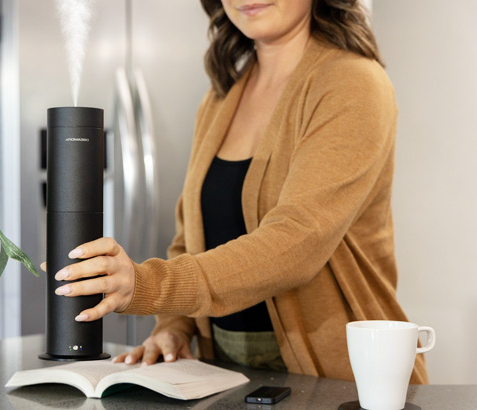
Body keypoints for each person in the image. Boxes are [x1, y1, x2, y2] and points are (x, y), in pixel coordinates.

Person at [45, 0, 429, 382]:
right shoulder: (220, 99)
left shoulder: (352, 82)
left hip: (343, 380)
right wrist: (174, 326)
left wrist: (147, 285)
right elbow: (190, 240)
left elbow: (297, 242)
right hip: (232, 375)